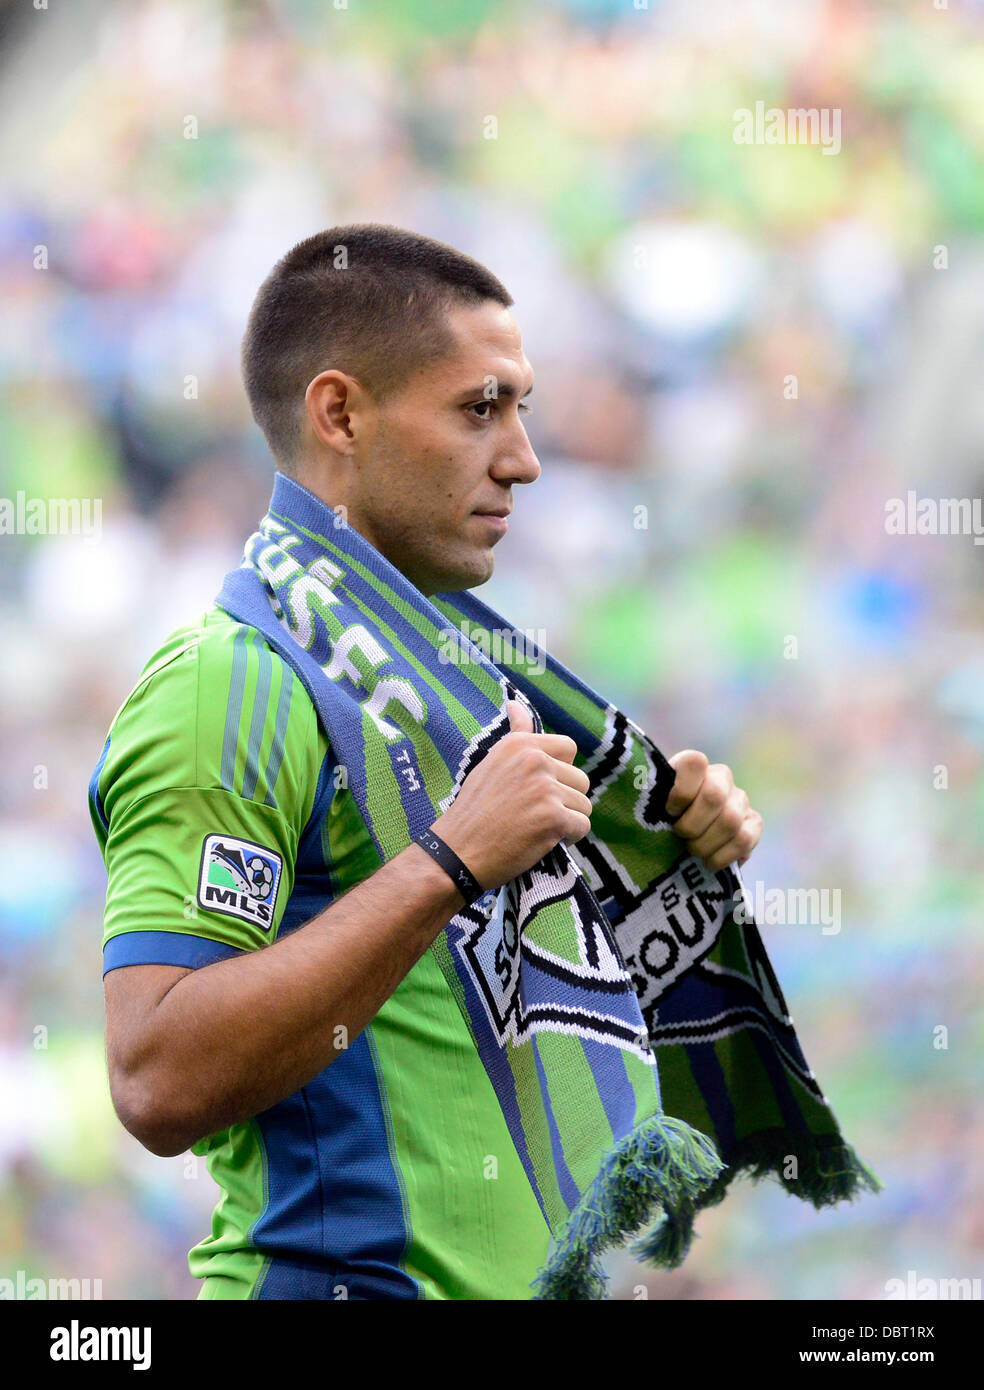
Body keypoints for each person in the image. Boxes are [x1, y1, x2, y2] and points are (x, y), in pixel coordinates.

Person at [89, 224, 763, 1301]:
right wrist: (451, 860)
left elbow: (480, 1018)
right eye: (478, 409)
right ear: (340, 413)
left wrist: (660, 855)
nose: (524, 457)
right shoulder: (236, 680)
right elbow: (157, 1074)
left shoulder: (464, 685)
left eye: (522, 409)